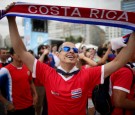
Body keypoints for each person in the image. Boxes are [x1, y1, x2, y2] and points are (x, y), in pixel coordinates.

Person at [6, 6, 135, 115]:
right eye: (66, 48)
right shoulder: (47, 73)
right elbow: (21, 51)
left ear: (78, 56)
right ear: (58, 54)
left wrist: (134, 34)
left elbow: (118, 62)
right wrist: (11, 20)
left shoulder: (87, 74)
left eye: (74, 50)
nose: (71, 51)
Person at [0, 48, 38, 115]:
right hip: (15, 108)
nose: (20, 54)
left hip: (29, 105)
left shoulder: (27, 67)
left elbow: (31, 82)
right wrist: (6, 103)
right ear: (12, 55)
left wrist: (35, 94)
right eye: (17, 52)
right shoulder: (5, 70)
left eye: (21, 52)